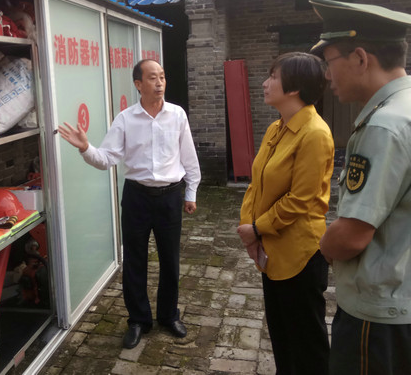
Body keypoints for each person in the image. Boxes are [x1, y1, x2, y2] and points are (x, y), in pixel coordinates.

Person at [57, 59, 201, 349]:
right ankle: (138, 320)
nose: (159, 83)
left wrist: (191, 193)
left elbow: (189, 157)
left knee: (170, 260)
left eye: (162, 77)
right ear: (138, 84)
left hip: (170, 196)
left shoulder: (177, 115)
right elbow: (106, 158)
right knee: (134, 260)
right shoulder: (125, 119)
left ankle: (168, 316)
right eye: (152, 78)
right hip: (137, 197)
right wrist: (85, 147)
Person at [310, 0, 411, 375]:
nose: (327, 76)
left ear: (360, 58)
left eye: (329, 62)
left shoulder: (384, 126)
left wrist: (323, 247)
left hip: (378, 313)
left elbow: (352, 236)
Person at [236, 52, 334, 375]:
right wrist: (249, 228)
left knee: (307, 345)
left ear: (294, 88)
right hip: (273, 250)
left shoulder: (315, 133)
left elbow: (300, 200)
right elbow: (256, 183)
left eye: (273, 77)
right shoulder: (276, 128)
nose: (265, 83)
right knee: (282, 337)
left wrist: (257, 229)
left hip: (300, 255)